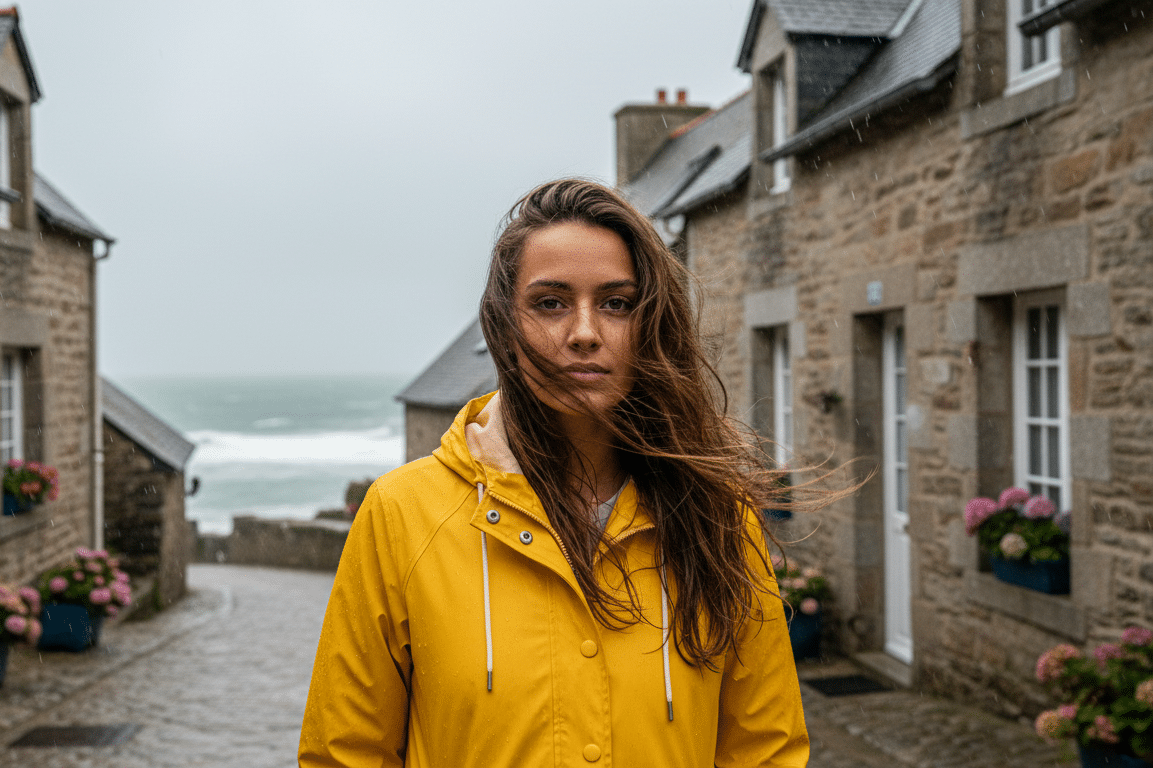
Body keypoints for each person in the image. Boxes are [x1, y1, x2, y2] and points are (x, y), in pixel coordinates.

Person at [298, 179, 808, 767]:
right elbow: (345, 754)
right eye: (550, 303)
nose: (585, 332)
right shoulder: (402, 515)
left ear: (649, 326)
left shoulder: (716, 517)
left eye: (616, 303)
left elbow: (766, 751)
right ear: (504, 326)